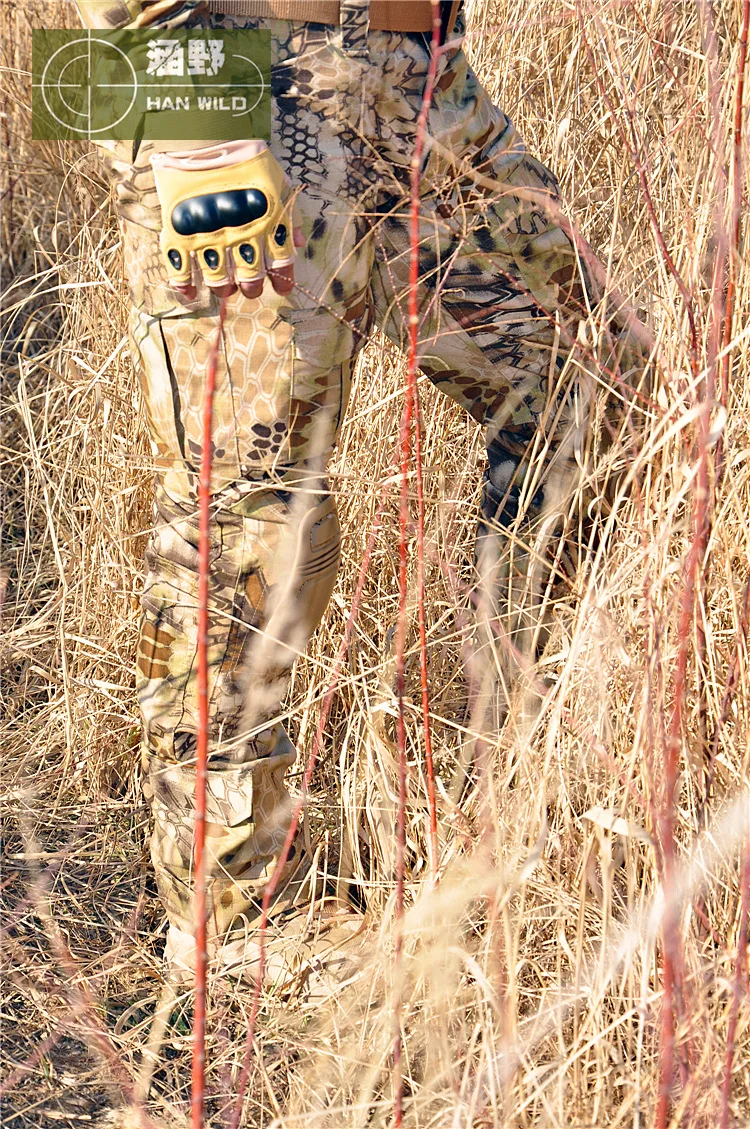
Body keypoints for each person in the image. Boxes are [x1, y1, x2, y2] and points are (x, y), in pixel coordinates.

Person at [75, 0, 648, 989]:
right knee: (254, 504)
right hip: (230, 71)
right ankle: (229, 916)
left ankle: (504, 783)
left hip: (414, 69)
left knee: (595, 387)